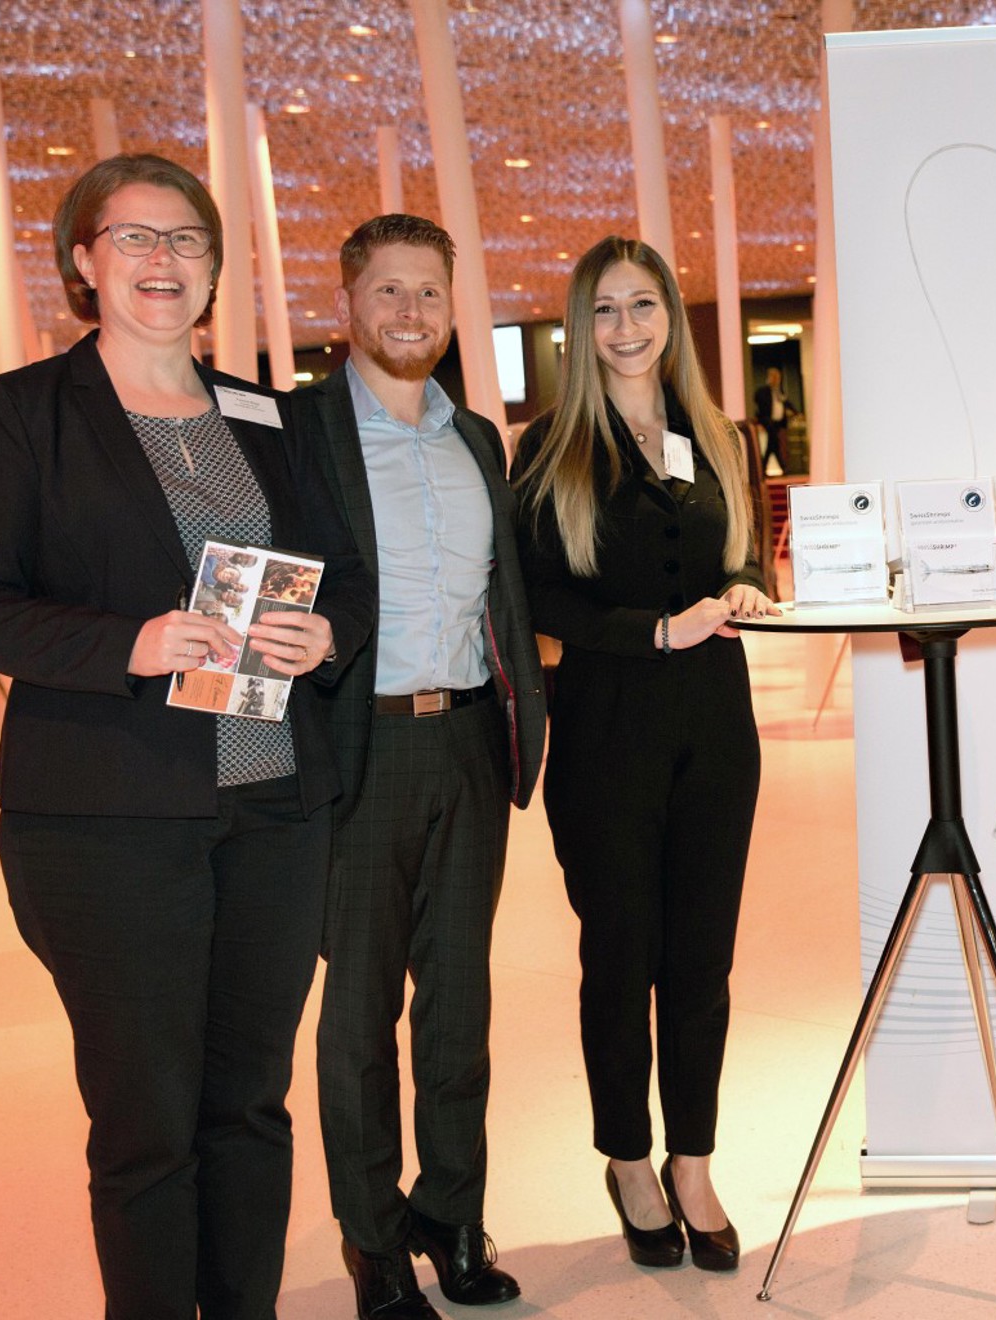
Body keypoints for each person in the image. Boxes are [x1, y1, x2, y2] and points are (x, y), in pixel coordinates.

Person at [0, 153, 372, 1320]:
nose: (162, 260)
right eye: (134, 237)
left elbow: (345, 574)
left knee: (250, 1105)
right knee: (146, 1123)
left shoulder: (266, 413)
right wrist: (126, 642)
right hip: (109, 822)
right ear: (84, 259)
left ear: (215, 266)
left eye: (186, 240)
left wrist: (326, 633)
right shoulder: (24, 411)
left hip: (273, 808)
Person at [512, 236, 777, 1272]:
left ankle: (692, 1162)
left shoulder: (722, 436)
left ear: (671, 315)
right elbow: (535, 593)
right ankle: (628, 1159)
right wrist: (651, 630)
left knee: (701, 959)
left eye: (643, 305)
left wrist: (747, 583)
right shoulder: (550, 445)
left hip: (716, 727)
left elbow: (744, 551)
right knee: (621, 956)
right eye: (604, 310)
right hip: (605, 728)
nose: (625, 328)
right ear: (581, 328)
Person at [302, 215, 547, 1320]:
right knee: (358, 1013)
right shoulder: (303, 431)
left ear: (453, 308)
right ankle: (372, 1242)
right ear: (348, 303)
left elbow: (506, 597)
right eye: (389, 290)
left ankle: (451, 1218)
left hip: (468, 743)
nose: (411, 312)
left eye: (430, 293)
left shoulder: (476, 438)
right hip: (359, 743)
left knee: (459, 1006)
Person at [752, 365, 796, 475]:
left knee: (772, 445)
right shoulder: (763, 391)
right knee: (774, 442)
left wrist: (795, 412)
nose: (776, 380)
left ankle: (762, 468)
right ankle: (782, 467)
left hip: (778, 423)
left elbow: (787, 404)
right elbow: (759, 405)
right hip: (768, 422)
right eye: (774, 377)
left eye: (778, 378)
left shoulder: (780, 392)